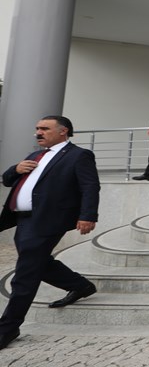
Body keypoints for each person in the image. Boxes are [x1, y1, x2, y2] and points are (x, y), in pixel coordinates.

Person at [0, 116, 100, 349]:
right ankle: (80, 285)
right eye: (37, 128)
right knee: (37, 262)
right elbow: (7, 180)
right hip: (23, 220)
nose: (39, 132)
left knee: (25, 273)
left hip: (49, 220)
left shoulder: (79, 155)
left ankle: (8, 327)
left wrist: (88, 215)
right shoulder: (35, 155)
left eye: (45, 128)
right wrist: (15, 169)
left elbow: (90, 186)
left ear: (63, 131)